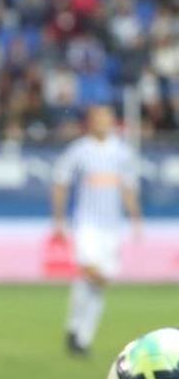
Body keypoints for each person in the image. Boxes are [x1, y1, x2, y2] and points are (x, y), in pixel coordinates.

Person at [52, 104, 141, 356]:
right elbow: (60, 183)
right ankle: (76, 332)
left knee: (96, 283)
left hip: (111, 226)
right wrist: (58, 220)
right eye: (100, 118)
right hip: (87, 224)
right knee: (91, 271)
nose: (104, 122)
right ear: (90, 122)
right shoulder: (79, 151)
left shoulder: (122, 152)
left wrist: (135, 219)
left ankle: (80, 336)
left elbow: (128, 188)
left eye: (108, 118)